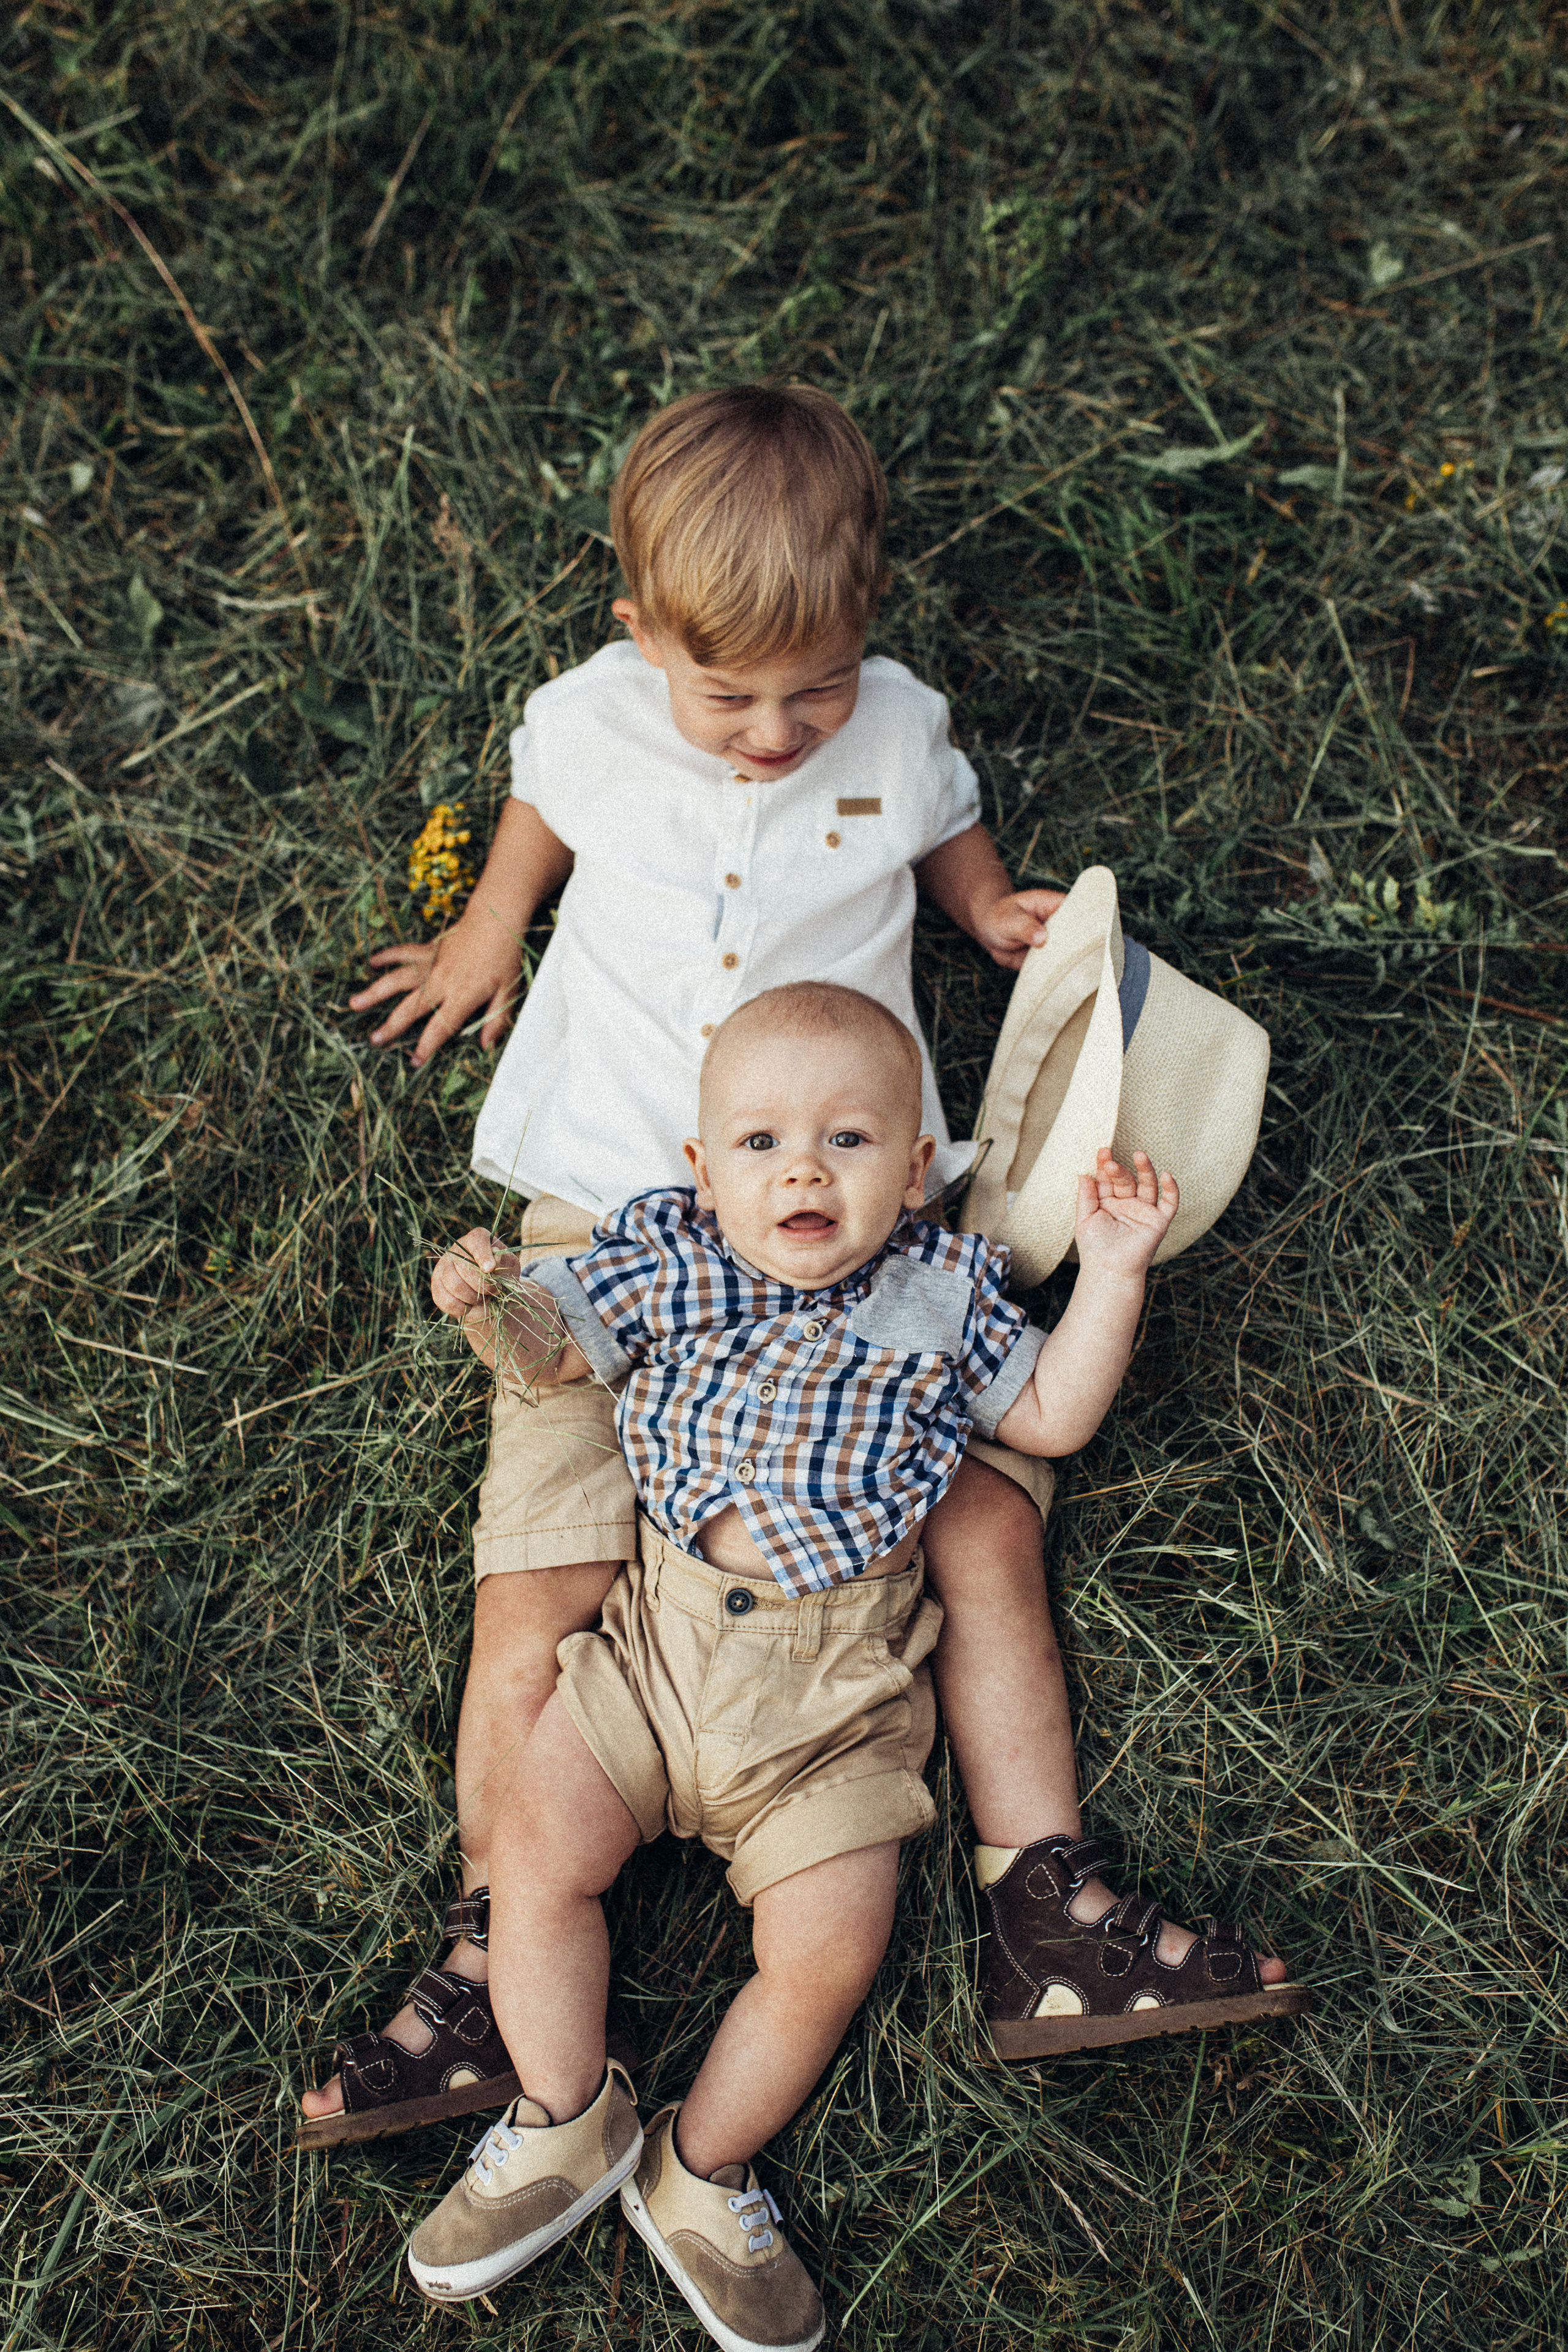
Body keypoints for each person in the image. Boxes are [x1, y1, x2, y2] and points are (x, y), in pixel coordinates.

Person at [300, 385, 1293, 2146]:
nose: (773, 733)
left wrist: (985, 906)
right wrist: (488, 925)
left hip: (857, 1213)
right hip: (620, 1203)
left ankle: (1041, 1902)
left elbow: (938, 814)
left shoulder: (896, 730)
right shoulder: (596, 723)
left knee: (986, 1517)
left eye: (811, 693)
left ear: (867, 646)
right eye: (728, 695)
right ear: (640, 641)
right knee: (542, 1570)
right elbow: (542, 804)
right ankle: (487, 1947)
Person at [402, 985, 1306, 2351]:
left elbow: (1049, 1418)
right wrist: (486, 1305)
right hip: (652, 1654)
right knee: (534, 1862)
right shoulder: (671, 1251)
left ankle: (700, 2170)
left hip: (835, 1704)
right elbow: (551, 1353)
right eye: (758, 1144)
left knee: (828, 1954)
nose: (802, 1170)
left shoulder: (949, 1294)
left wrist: (1114, 1269)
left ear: (917, 1169)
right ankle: (558, 2111)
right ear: (703, 1172)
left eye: (846, 1139)